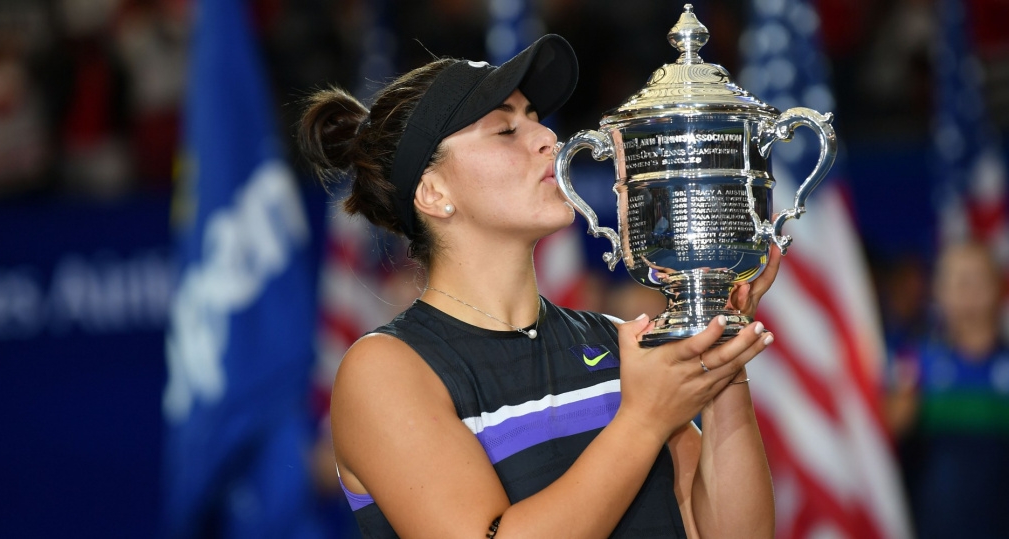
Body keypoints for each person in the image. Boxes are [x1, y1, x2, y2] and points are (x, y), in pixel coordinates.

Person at [297, 34, 779, 538]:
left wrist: (721, 338)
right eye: (506, 128)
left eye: (534, 117)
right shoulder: (386, 370)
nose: (547, 137)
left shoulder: (618, 344)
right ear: (434, 192)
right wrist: (644, 422)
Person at [886, 241, 1009, 538]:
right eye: (956, 279)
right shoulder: (913, 363)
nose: (966, 289)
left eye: (976, 278)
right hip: (932, 525)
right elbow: (888, 430)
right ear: (937, 291)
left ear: (998, 287)